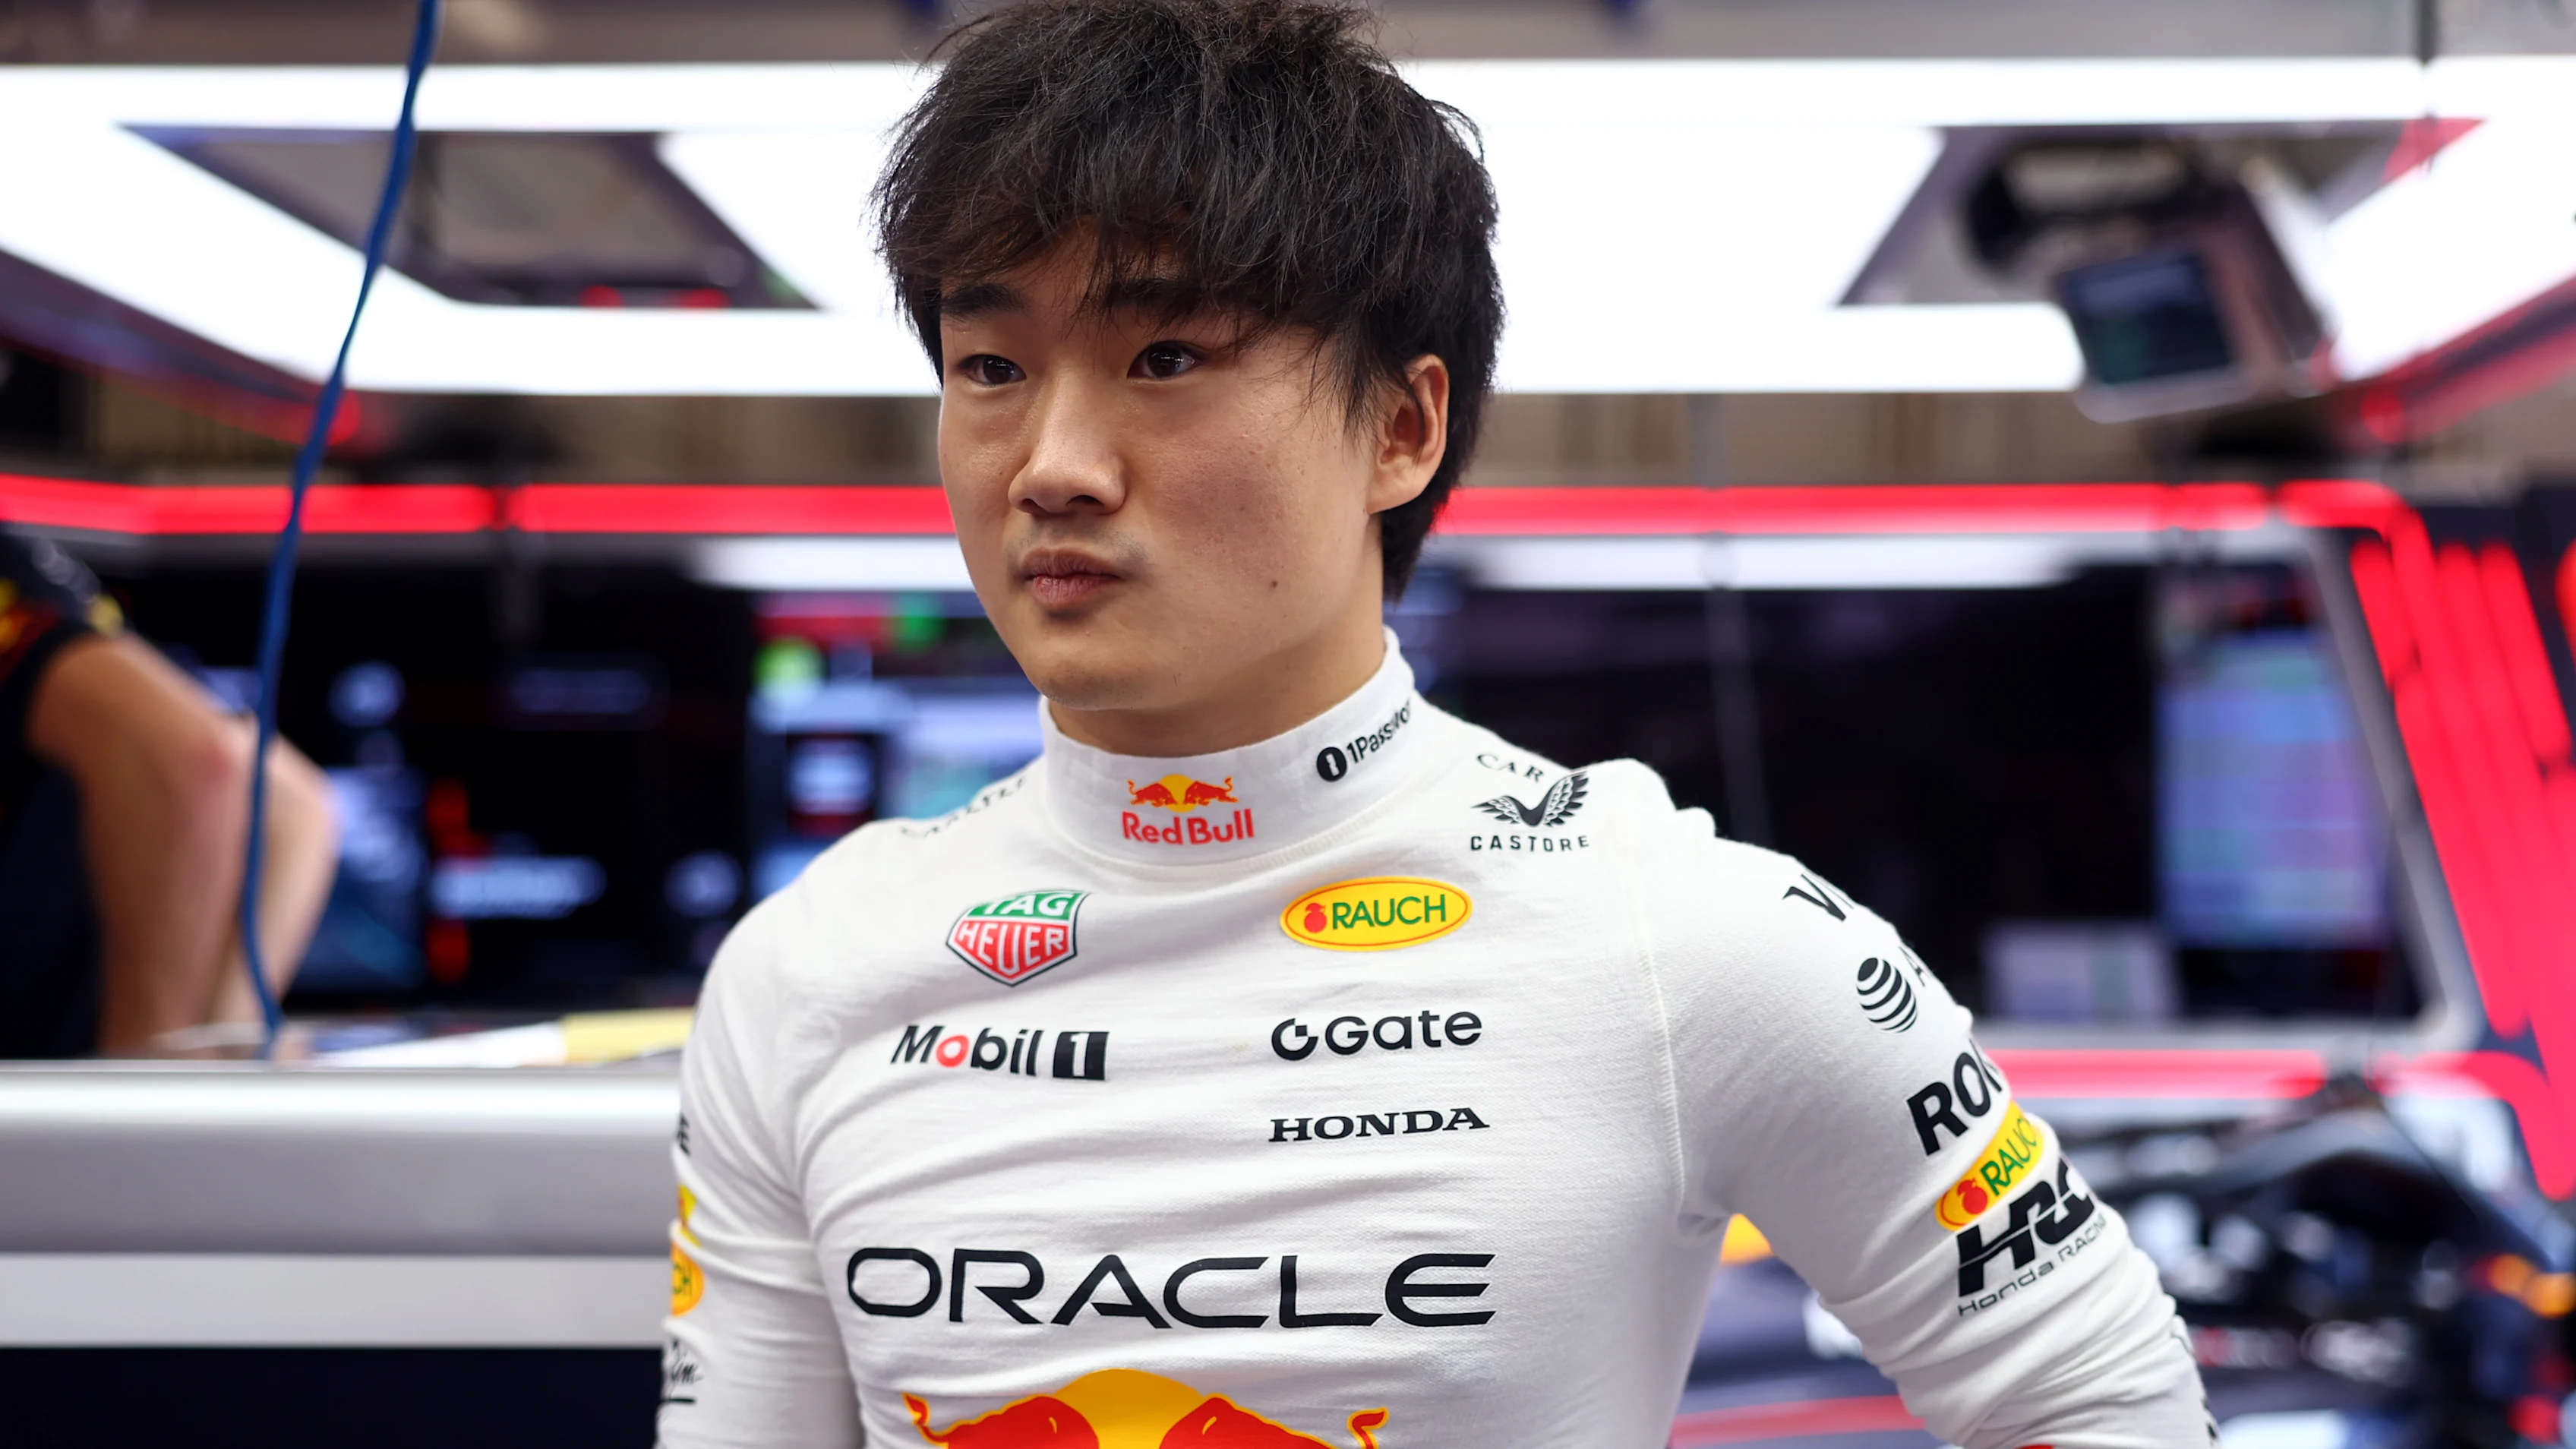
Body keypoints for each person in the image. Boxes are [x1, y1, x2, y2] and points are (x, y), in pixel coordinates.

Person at [660, 2, 2211, 1444]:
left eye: (1165, 357)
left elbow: (2104, 1395)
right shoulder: (809, 968)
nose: (1051, 462)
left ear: (1402, 428)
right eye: (989, 365)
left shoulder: (1685, 936)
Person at [0, 529, 336, 1056]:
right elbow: (287, 800)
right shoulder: (43, 570)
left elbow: (210, 766)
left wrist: (153, 1077)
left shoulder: (26, 577)